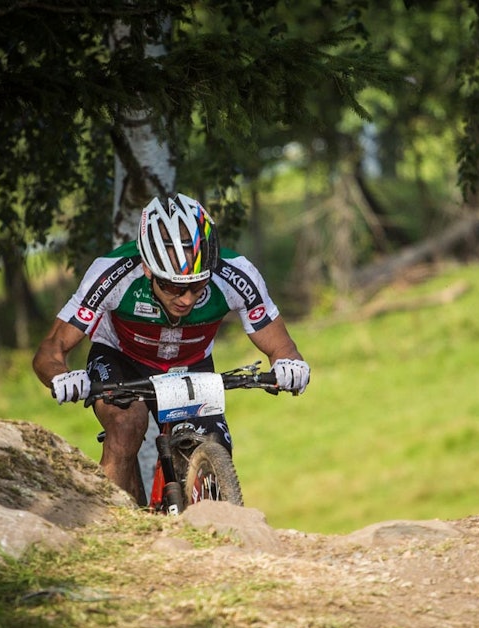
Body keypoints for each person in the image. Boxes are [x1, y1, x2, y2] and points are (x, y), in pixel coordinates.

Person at [33, 193, 310, 504]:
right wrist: (61, 377)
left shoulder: (235, 274)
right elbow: (51, 349)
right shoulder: (113, 273)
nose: (187, 299)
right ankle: (116, 528)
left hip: (190, 364)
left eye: (197, 286)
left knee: (214, 441)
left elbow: (282, 347)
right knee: (126, 426)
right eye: (173, 287)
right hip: (122, 357)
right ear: (149, 270)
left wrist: (291, 366)